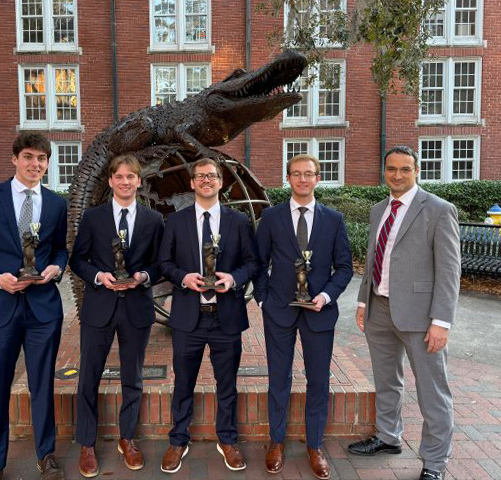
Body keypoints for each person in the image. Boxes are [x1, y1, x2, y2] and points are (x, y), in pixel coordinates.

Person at [0, 133, 68, 480]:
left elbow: (61, 249)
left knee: (42, 384)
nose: (36, 164)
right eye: (29, 157)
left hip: (43, 311)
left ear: (48, 163)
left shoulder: (55, 204)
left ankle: (46, 454)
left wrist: (56, 268)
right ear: (15, 159)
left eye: (42, 159)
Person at [347, 146, 460, 480]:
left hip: (421, 315)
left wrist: (441, 322)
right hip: (379, 310)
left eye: (405, 169)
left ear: (417, 171)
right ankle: (388, 436)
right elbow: (374, 258)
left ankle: (435, 463)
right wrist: (364, 301)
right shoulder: (379, 208)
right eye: (391, 169)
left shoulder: (439, 210)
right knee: (386, 380)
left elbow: (449, 271)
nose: (397, 175)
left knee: (432, 389)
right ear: (384, 170)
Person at [254, 154, 353, 479]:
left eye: (308, 174)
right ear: (288, 178)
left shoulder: (333, 219)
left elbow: (344, 268)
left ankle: (314, 445)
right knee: (278, 379)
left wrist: (325, 296)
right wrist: (264, 299)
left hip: (319, 313)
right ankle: (277, 442)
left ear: (318, 178)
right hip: (279, 310)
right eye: (296, 174)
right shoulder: (271, 217)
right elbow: (258, 262)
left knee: (318, 381)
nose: (302, 179)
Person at [158, 158, 259, 474]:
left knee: (226, 384)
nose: (206, 180)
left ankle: (227, 439)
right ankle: (178, 440)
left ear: (221, 182)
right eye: (200, 176)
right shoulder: (175, 222)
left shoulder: (239, 222)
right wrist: (182, 278)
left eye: (212, 176)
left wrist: (234, 279)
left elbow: (252, 263)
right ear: (192, 183)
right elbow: (164, 263)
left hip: (225, 316)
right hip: (189, 316)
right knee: (183, 382)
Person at [69, 154, 164, 477]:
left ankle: (128, 438)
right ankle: (86, 442)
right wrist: (99, 277)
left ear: (139, 181)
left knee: (132, 377)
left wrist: (143, 277)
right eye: (119, 176)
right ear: (110, 181)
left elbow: (160, 264)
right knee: (88, 376)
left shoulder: (153, 220)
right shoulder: (93, 218)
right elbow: (78, 260)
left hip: (136, 306)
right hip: (100, 306)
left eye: (131, 177)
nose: (125, 182)